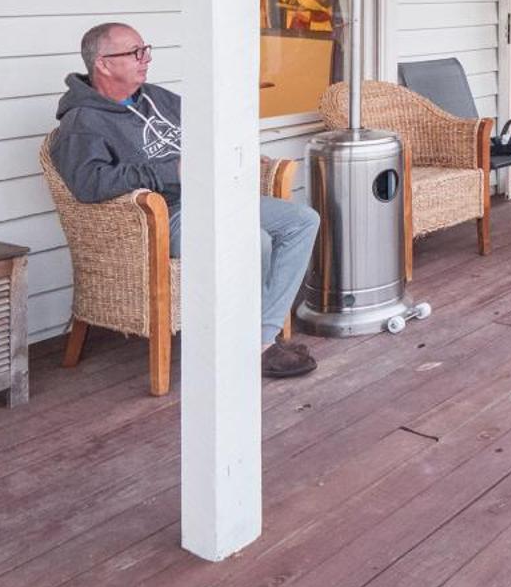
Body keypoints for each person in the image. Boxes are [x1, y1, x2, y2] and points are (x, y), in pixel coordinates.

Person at [52, 22, 320, 379]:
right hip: (163, 215)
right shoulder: (83, 122)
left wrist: (237, 153)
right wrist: (169, 171)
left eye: (145, 49)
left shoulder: (155, 98)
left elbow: (210, 128)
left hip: (211, 198)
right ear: (103, 63)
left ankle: (257, 336)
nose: (145, 59)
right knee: (253, 239)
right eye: (135, 53)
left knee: (302, 220)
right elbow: (89, 184)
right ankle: (257, 346)